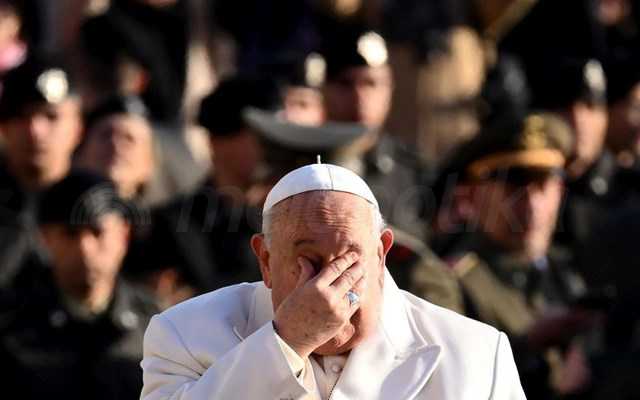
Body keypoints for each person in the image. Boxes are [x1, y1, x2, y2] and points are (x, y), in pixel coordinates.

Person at [140, 163, 526, 399]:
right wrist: (285, 343)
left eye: (348, 259)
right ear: (266, 261)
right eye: (309, 260)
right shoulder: (184, 336)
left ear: (381, 254)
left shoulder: (476, 355)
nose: (328, 286)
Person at [435, 112, 595, 397]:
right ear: (473, 195)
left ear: (560, 191)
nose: (531, 202)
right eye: (513, 185)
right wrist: (527, 346)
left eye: (542, 183)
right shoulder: (452, 280)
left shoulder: (575, 268)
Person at [0, 170, 158, 400]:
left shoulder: (156, 324)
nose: (85, 248)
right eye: (70, 234)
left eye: (97, 232)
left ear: (123, 236)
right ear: (45, 238)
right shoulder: (11, 324)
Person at [319, 28, 433, 239]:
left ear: (389, 89)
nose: (359, 97)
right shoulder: (300, 165)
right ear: (323, 89)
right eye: (345, 83)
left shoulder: (415, 172)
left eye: (371, 83)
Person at [0, 55, 82, 289]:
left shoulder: (98, 206)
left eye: (51, 116)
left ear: (78, 127)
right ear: (3, 126)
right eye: (21, 116)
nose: (35, 130)